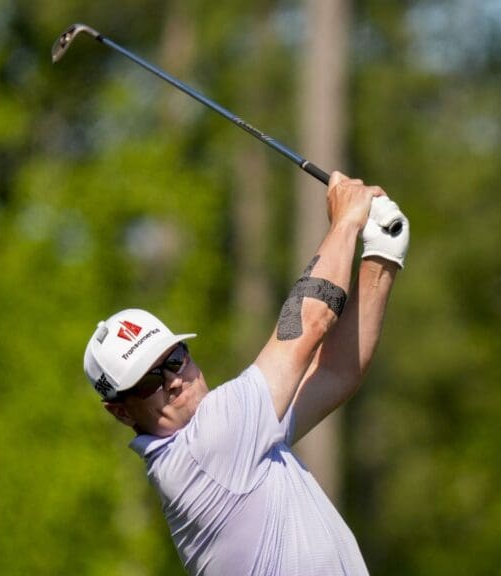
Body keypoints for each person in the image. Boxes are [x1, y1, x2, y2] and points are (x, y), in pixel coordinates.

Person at [82, 172, 409, 575]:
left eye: (173, 359)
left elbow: (338, 373)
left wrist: (382, 254)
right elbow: (309, 321)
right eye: (150, 381)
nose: (174, 380)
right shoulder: (209, 446)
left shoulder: (241, 438)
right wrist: (345, 221)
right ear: (121, 412)